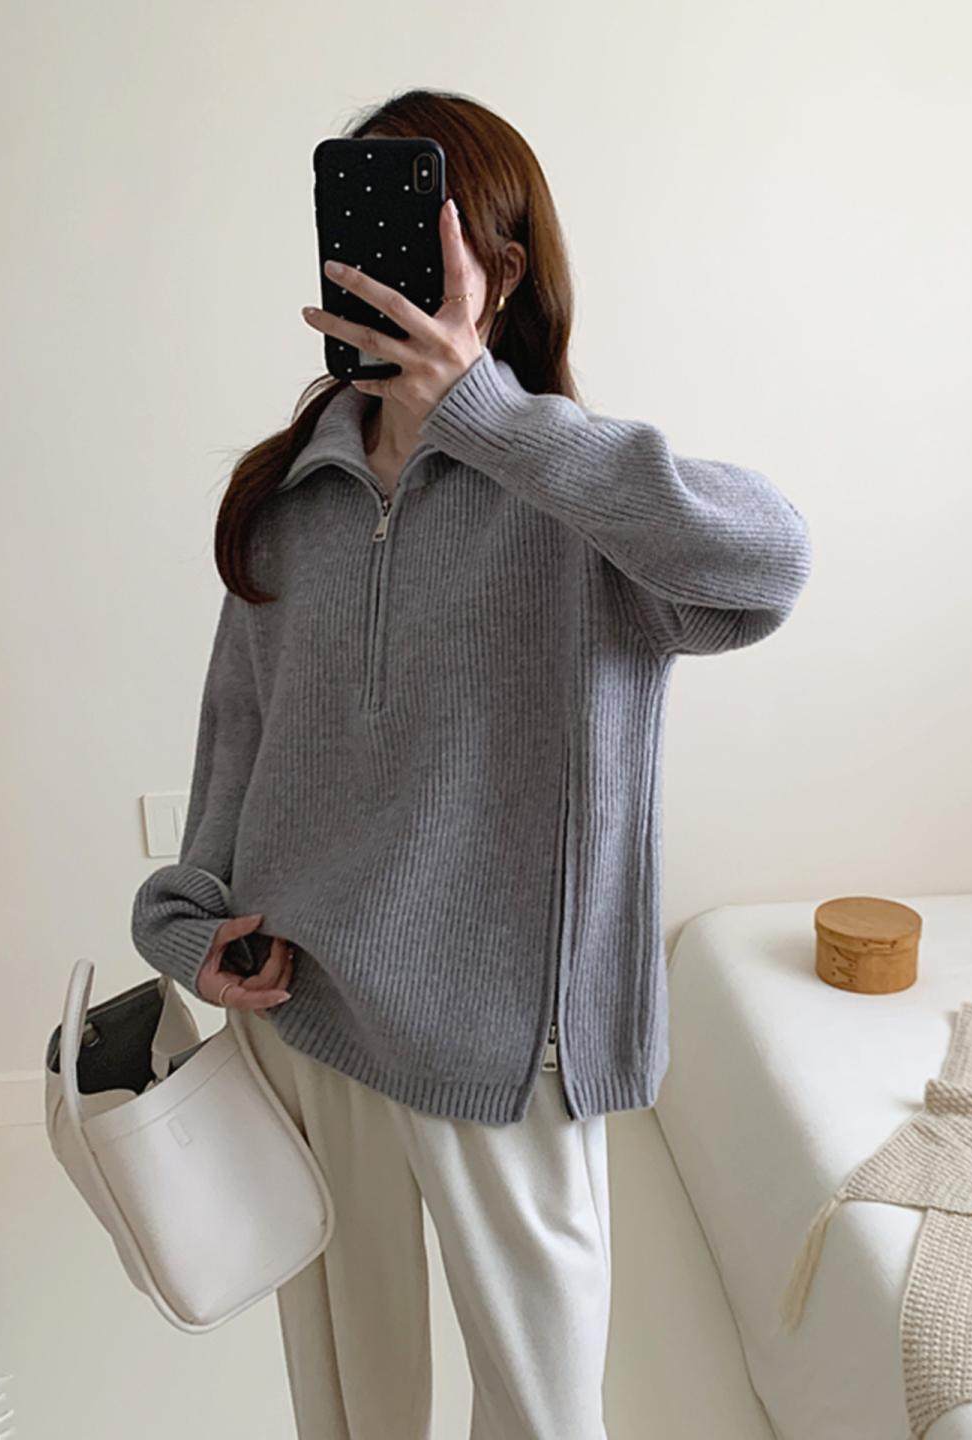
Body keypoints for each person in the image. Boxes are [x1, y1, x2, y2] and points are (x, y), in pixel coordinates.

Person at [130, 87, 812, 1440]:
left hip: (506, 1041)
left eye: (428, 243)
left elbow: (769, 563)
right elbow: (242, 727)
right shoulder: (288, 498)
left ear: (501, 271)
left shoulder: (583, 500)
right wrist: (188, 917)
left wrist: (490, 419)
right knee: (349, 1406)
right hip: (304, 1007)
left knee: (543, 1412)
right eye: (362, 240)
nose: (388, 277)